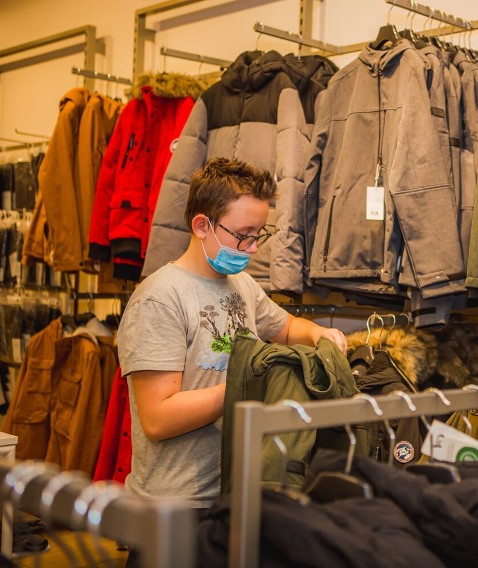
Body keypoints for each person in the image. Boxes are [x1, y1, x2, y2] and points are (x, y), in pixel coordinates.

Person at [117, 157, 347, 509]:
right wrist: (247, 384)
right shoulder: (159, 299)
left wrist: (318, 334)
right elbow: (158, 418)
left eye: (259, 235)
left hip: (235, 490)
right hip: (176, 505)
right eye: (243, 236)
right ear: (201, 226)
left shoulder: (242, 284)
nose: (253, 249)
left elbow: (284, 328)